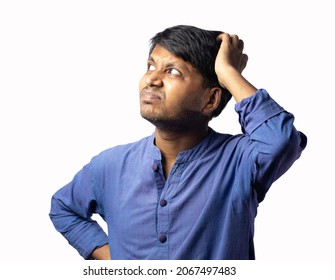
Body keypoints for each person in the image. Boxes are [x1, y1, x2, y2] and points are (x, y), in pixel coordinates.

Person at [49, 25, 307, 260]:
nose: (152, 79)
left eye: (172, 71)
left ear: (211, 100)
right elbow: (63, 207)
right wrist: (113, 261)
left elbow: (280, 140)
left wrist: (228, 73)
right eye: (151, 66)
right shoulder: (109, 165)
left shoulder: (240, 160)